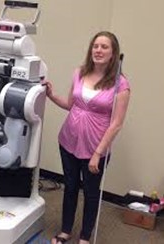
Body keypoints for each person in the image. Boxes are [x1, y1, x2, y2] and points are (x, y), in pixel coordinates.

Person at [44, 31, 130, 244]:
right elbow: (70, 105)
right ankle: (65, 231)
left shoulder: (121, 84)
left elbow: (116, 123)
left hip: (95, 148)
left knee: (91, 193)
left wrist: (98, 154)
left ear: (113, 53)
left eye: (104, 47)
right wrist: (52, 95)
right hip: (68, 140)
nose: (98, 50)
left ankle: (84, 237)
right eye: (95, 46)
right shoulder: (79, 73)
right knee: (70, 187)